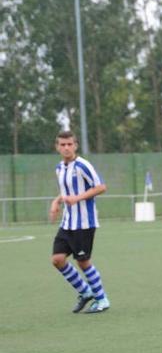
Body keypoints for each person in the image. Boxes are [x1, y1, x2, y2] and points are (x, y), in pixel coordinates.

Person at [49, 131, 111, 314]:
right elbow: (66, 191)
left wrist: (78, 198)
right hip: (67, 223)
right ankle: (85, 292)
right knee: (57, 260)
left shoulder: (83, 165)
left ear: (75, 145)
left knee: (83, 262)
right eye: (62, 144)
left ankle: (102, 300)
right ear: (57, 147)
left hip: (84, 223)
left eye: (69, 144)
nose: (66, 147)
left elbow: (101, 187)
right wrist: (56, 202)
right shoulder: (59, 168)